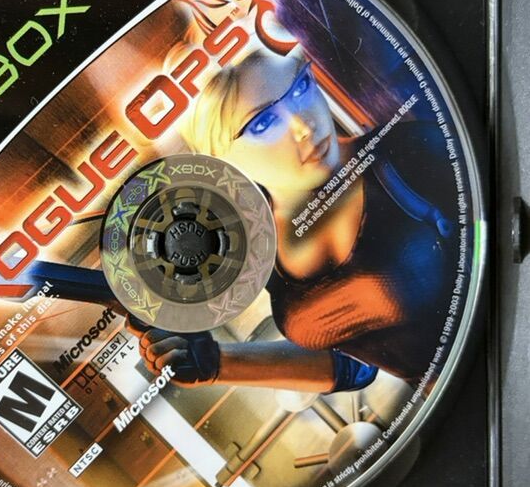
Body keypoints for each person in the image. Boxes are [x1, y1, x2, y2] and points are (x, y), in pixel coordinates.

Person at [131, 42, 458, 394]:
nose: (305, 125)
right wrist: (218, 364)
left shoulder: (409, 150)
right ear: (221, 161)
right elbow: (353, 365)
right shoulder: (266, 254)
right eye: (264, 122)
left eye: (300, 87)